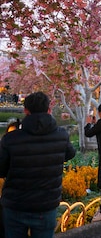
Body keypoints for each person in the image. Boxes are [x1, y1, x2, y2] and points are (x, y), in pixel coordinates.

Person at [0, 92, 76, 237]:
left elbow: (1, 170)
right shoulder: (61, 136)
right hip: (46, 205)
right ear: (49, 110)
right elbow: (70, 154)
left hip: (16, 204)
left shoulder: (10, 139)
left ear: (26, 111)